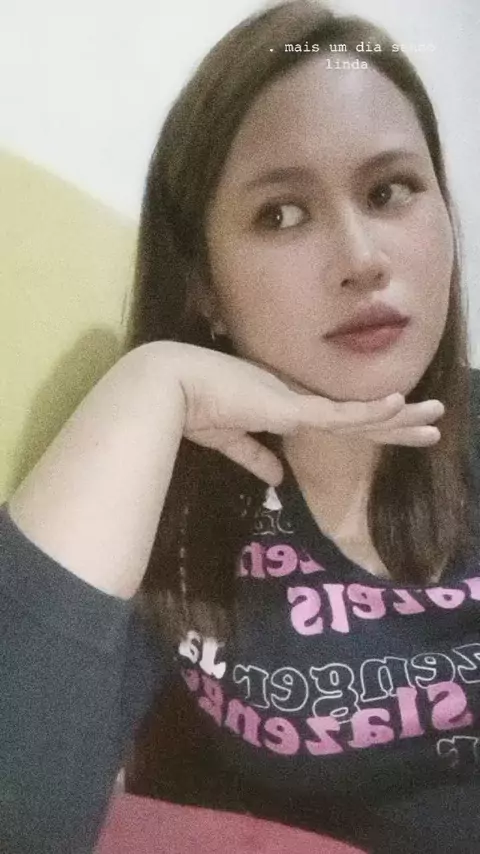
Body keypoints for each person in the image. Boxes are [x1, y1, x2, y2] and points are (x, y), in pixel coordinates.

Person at [2, 0, 480, 851]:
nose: (362, 257)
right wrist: (149, 381)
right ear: (206, 288)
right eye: (281, 214)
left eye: (390, 191)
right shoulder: (172, 499)